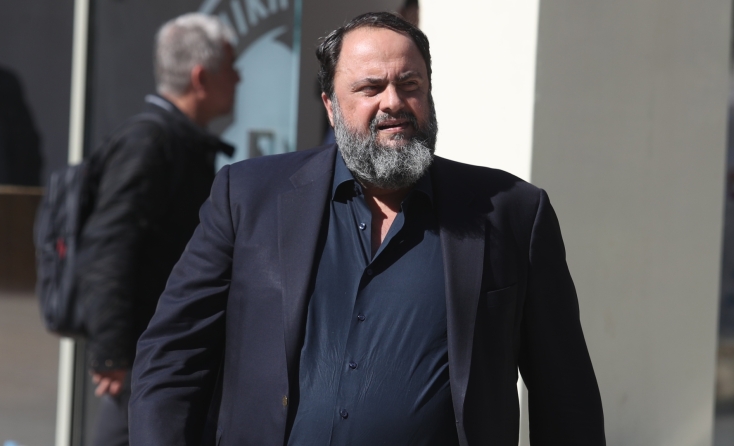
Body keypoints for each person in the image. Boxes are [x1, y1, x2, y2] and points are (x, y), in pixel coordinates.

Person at [129, 11, 605, 446]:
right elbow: (173, 357)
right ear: (331, 105)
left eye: (410, 84)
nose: (393, 102)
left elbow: (566, 396)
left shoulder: (510, 212)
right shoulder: (248, 197)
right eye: (370, 87)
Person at [77, 12, 238, 446]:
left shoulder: (182, 140)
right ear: (201, 78)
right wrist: (111, 352)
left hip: (162, 342)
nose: (239, 78)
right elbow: (109, 246)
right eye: (231, 67)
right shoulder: (150, 142)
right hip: (141, 349)